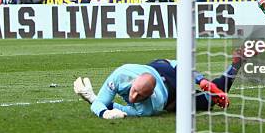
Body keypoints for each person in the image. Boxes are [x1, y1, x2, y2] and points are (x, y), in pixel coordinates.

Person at [74, 53, 247, 118]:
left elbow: (119, 110)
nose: (133, 98)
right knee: (213, 89)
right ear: (135, 81)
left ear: (149, 95)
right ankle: (234, 66)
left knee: (214, 98)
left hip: (175, 95)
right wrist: (100, 107)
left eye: (140, 96)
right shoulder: (121, 74)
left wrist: (94, 101)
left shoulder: (148, 108)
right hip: (161, 66)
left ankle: (235, 66)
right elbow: (106, 106)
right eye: (134, 91)